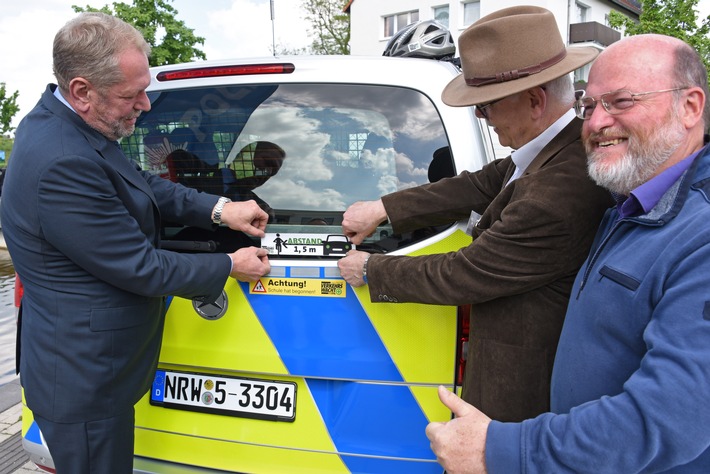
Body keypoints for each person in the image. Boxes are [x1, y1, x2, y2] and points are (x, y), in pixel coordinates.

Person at [426, 33, 710, 473]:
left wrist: (502, 450)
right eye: (589, 106)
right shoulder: (629, 201)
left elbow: (668, 417)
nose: (596, 123)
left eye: (621, 101)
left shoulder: (700, 234)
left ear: (691, 107)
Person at [0, 13, 271, 473]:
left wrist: (221, 209)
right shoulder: (62, 160)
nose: (145, 104)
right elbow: (140, 267)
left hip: (93, 369)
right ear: (82, 91)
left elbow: (135, 181)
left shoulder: (65, 126)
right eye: (131, 95)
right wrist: (229, 265)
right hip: (83, 380)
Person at [338, 5, 614, 422]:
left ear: (535, 101)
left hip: (522, 398)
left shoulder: (557, 193)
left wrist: (371, 269)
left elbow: (464, 273)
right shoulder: (553, 151)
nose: (482, 118)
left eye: (485, 107)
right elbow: (481, 183)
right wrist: (384, 208)